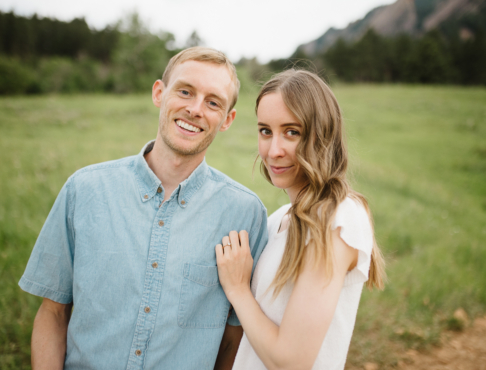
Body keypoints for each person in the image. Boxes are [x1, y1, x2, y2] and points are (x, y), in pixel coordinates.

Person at [19, 47, 269, 370]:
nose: (195, 109)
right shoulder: (84, 190)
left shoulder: (244, 215)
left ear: (227, 120)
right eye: (185, 91)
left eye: (213, 102)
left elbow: (234, 339)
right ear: (159, 93)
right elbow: (53, 313)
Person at [215, 69, 386, 370]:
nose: (274, 150)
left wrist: (238, 290)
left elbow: (290, 361)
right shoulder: (278, 219)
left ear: (323, 134)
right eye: (265, 131)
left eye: (292, 132)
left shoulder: (338, 218)